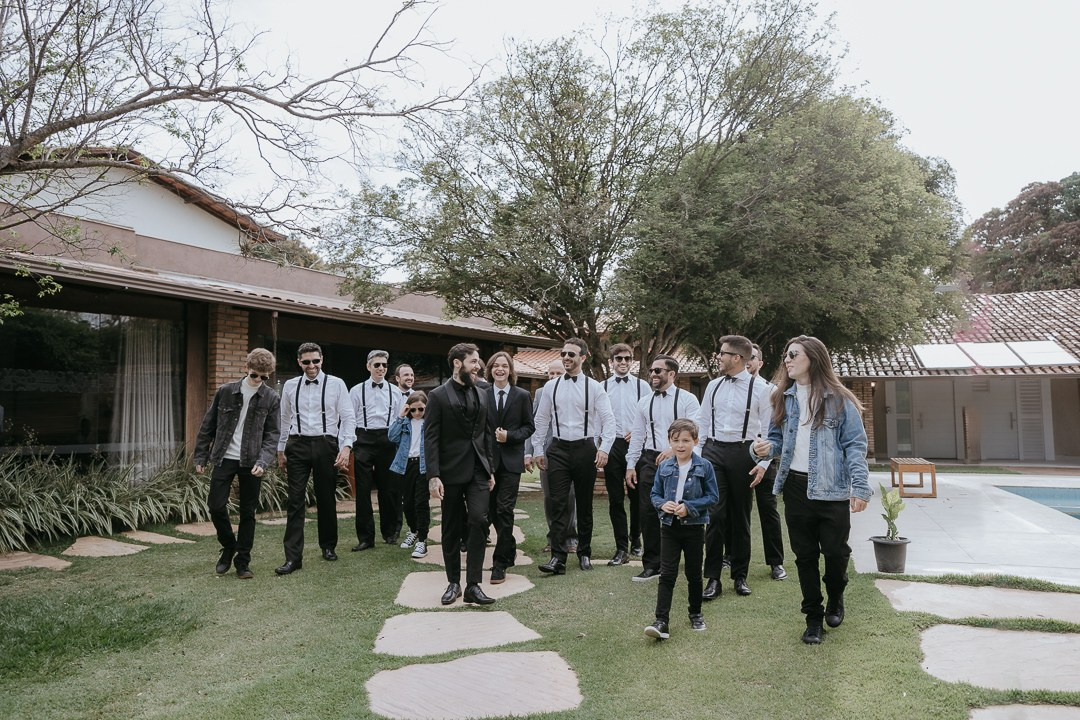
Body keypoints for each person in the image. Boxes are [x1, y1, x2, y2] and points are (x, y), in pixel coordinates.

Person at [751, 335, 870, 644]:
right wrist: (764, 448)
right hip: (795, 488)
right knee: (804, 557)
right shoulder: (782, 397)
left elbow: (855, 446)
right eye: (786, 356)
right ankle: (813, 618)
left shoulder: (839, 398)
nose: (787, 360)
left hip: (832, 491)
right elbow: (777, 440)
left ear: (813, 359)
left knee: (834, 553)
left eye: (794, 355)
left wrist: (860, 486)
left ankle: (836, 595)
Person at [695, 335, 772, 599]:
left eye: (722, 353)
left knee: (740, 516)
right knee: (715, 515)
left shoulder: (761, 389)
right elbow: (702, 424)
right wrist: (698, 457)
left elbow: (770, 431)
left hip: (744, 453)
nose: (718, 357)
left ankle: (740, 576)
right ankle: (713, 578)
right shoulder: (713, 386)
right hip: (714, 452)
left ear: (736, 358)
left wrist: (763, 463)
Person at [531, 338, 616, 575]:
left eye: (571, 354)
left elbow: (609, 419)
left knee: (584, 504)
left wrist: (604, 448)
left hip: (585, 448)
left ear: (583, 357)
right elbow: (541, 419)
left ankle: (584, 552)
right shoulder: (551, 386)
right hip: (557, 449)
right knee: (558, 503)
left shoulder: (595, 387)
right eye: (564, 353)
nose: (566, 357)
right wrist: (538, 449)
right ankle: (557, 558)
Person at [194, 348, 281, 579]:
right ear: (246, 369)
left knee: (248, 513)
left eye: (264, 377)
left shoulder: (271, 397)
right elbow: (207, 427)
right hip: (224, 457)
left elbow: (273, 434)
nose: (259, 381)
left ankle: (243, 562)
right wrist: (200, 456)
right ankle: (228, 546)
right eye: (255, 375)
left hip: (252, 461)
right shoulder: (225, 392)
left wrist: (264, 461)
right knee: (216, 506)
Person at [425, 343, 497, 606]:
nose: (478, 366)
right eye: (474, 362)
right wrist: (434, 475)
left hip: (479, 469)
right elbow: (430, 438)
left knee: (479, 520)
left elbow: (485, 434)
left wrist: (489, 468)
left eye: (478, 362)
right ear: (458, 363)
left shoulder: (483, 393)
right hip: (450, 472)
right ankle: (453, 582)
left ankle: (473, 586)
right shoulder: (438, 396)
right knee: (451, 527)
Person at [275, 343, 355, 575]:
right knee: (295, 500)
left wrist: (346, 447)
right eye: (307, 362)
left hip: (326, 444)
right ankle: (293, 558)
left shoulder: (337, 384)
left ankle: (328, 546)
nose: (312, 366)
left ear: (322, 360)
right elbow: (284, 418)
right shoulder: (290, 386)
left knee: (326, 498)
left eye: (315, 361)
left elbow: (348, 418)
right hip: (297, 444)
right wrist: (281, 450)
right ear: (299, 362)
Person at [626, 354, 700, 581]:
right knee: (648, 510)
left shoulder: (688, 399)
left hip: (681, 459)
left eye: (658, 371)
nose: (653, 375)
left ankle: (683, 560)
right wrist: (631, 465)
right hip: (650, 459)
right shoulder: (644, 402)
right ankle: (652, 564)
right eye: (651, 371)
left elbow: (698, 432)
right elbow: (638, 435)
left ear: (671, 374)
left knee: (679, 510)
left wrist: (674, 449)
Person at [644, 419, 718, 640]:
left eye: (686, 440)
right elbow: (654, 494)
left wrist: (690, 507)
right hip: (669, 527)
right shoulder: (665, 466)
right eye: (676, 441)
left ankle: (695, 613)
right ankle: (661, 620)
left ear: (695, 441)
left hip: (694, 527)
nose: (681, 445)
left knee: (694, 573)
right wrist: (661, 504)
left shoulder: (704, 466)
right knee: (667, 574)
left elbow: (713, 497)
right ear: (670, 442)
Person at [485, 351, 535, 584]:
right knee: (492, 511)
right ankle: (510, 546)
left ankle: (500, 563)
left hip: (511, 462)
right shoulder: (482, 394)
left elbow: (528, 427)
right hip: (487, 462)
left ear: (510, 370)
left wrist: (510, 437)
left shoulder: (522, 395)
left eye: (504, 365)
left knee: (505, 509)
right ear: (490, 369)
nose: (500, 369)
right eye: (496, 365)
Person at [601, 343, 650, 566]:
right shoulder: (601, 387)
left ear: (632, 361)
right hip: (612, 446)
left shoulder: (643, 387)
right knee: (615, 499)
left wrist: (640, 432)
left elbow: (652, 416)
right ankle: (621, 547)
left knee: (637, 496)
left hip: (636, 445)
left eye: (627, 359)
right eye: (619, 359)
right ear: (611, 362)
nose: (623, 362)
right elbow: (597, 417)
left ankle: (636, 539)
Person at [350, 349, 404, 551]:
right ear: (368, 366)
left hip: (387, 440)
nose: (381, 368)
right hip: (363, 439)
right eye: (377, 365)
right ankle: (365, 538)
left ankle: (390, 533)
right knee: (363, 490)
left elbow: (401, 419)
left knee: (388, 489)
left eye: (384, 365)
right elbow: (349, 419)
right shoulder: (356, 391)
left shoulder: (396, 392)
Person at [525, 358, 579, 555]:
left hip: (571, 451)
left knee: (571, 496)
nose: (554, 376)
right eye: (551, 373)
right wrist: (529, 451)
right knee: (550, 497)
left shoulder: (575, 390)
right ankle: (553, 537)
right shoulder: (540, 393)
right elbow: (534, 425)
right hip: (546, 453)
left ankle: (572, 538)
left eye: (558, 373)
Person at [746, 343, 787, 581]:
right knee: (735, 509)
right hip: (740, 455)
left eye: (752, 358)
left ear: (760, 363)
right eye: (744, 357)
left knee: (768, 509)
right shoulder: (733, 389)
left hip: (766, 458)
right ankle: (731, 556)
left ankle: (776, 563)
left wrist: (763, 463)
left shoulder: (771, 390)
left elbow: (774, 430)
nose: (748, 361)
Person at [388, 391, 431, 559]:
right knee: (407, 504)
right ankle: (413, 531)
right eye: (413, 410)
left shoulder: (430, 422)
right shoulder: (405, 422)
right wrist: (401, 416)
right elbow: (391, 436)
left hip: (424, 465)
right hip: (406, 465)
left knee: (421, 503)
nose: (417, 413)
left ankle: (422, 539)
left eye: (421, 409)